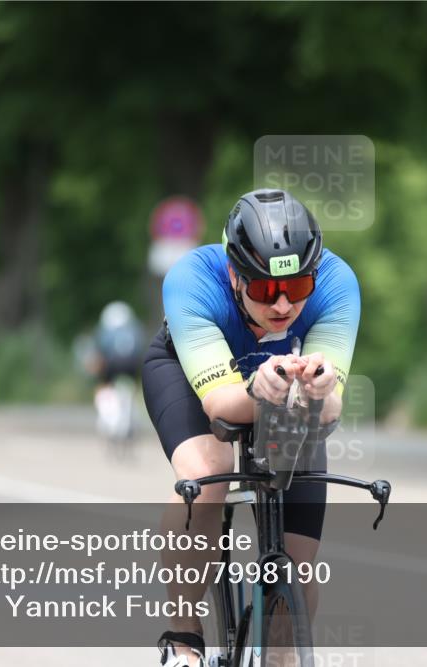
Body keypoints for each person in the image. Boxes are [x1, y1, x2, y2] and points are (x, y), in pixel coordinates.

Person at [141, 189, 360, 667]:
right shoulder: (193, 279)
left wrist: (321, 393)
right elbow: (221, 405)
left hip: (285, 389)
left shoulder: (338, 282)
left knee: (299, 563)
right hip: (193, 374)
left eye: (298, 288)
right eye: (264, 290)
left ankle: (282, 651)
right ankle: (183, 639)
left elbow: (329, 407)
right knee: (206, 476)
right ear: (235, 275)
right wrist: (257, 391)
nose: (282, 304)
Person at [91, 301, 145, 442]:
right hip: (132, 364)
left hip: (112, 364)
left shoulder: (105, 331)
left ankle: (105, 415)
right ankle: (132, 411)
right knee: (134, 387)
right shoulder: (135, 329)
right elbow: (141, 350)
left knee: (103, 385)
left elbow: (100, 354)